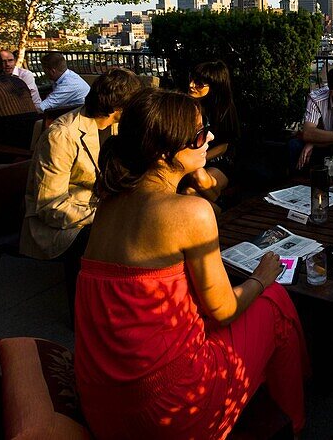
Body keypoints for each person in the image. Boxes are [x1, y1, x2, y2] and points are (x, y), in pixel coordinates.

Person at [74, 90, 308, 439]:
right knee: (275, 302)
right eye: (200, 134)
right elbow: (224, 310)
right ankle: (292, 421)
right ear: (163, 152)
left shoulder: (110, 204)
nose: (209, 138)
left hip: (103, 404)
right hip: (168, 408)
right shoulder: (188, 212)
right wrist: (261, 277)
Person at [20, 69, 143, 303]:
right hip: (63, 222)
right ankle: (102, 305)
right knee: (119, 239)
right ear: (117, 108)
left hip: (99, 205)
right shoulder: (62, 136)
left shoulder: (116, 126)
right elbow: (50, 206)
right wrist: (106, 215)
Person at [186, 60, 241, 200]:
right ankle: (219, 208)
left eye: (199, 83)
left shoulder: (225, 109)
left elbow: (224, 146)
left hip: (219, 161)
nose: (191, 85)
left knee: (194, 183)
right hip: (192, 160)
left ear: (215, 86)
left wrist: (197, 160)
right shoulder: (186, 106)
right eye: (191, 79)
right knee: (188, 192)